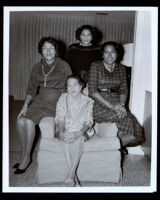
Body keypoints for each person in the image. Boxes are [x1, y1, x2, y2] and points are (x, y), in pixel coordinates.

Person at [13, 37, 72, 174]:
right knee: (20, 121)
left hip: (57, 102)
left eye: (51, 48)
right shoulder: (36, 67)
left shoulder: (64, 65)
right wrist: (25, 105)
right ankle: (24, 155)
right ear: (41, 50)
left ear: (56, 50)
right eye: (45, 48)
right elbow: (31, 89)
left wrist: (67, 108)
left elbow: (71, 86)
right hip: (40, 101)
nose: (48, 51)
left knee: (28, 122)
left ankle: (26, 159)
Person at [88, 41, 144, 154]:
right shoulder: (95, 65)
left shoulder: (121, 68)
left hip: (117, 101)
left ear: (117, 54)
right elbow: (93, 91)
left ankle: (113, 147)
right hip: (98, 101)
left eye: (112, 52)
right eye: (106, 52)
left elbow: (123, 90)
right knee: (124, 119)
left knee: (135, 128)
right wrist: (113, 107)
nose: (109, 55)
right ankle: (111, 147)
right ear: (102, 54)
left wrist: (122, 105)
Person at [55, 75, 94, 186]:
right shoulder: (63, 98)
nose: (72, 88)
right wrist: (61, 131)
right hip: (66, 127)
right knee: (66, 137)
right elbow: (60, 116)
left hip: (83, 130)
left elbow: (89, 120)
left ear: (81, 86)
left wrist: (79, 132)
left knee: (80, 138)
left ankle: (70, 176)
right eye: (69, 86)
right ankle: (72, 178)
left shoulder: (88, 101)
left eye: (75, 84)